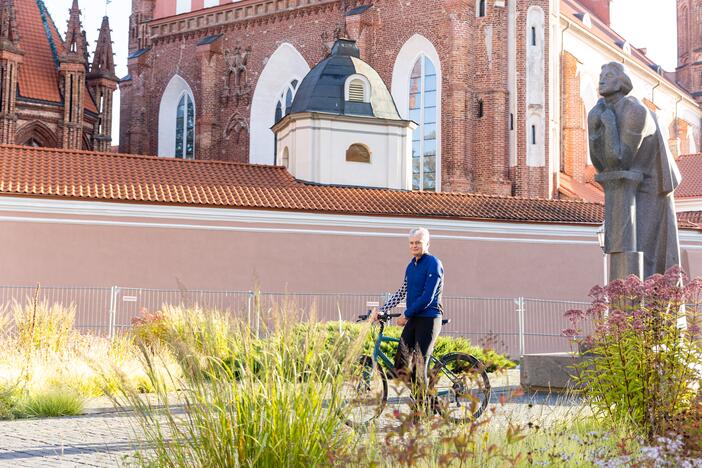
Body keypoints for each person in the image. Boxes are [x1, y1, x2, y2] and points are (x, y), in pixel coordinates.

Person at [372, 227, 444, 403]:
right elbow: (402, 291)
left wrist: (406, 314)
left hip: (429, 318)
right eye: (411, 243)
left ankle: (421, 411)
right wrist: (383, 310)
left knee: (419, 365)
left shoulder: (434, 263)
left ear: (427, 243)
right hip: (414, 318)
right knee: (400, 365)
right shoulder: (410, 266)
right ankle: (428, 399)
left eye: (418, 243)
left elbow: (428, 297)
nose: (414, 246)